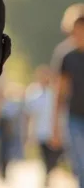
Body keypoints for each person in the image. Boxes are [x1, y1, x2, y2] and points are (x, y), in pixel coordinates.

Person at [51, 16, 84, 187]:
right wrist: (55, 126)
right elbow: (60, 93)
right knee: (80, 165)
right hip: (75, 118)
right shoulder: (66, 56)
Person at [24, 65, 63, 187]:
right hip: (40, 133)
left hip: (53, 133)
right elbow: (29, 115)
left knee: (54, 158)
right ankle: (47, 177)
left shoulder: (55, 93)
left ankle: (49, 176)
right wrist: (28, 134)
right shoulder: (33, 94)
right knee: (46, 158)